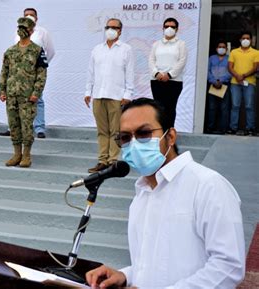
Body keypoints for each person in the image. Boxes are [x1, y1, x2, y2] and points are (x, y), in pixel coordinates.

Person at [86, 98, 245, 289]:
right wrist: (125, 275)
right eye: (126, 137)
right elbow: (150, 264)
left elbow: (228, 267)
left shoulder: (208, 186)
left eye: (144, 133)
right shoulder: (141, 196)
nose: (134, 144)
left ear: (170, 137)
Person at [84, 18, 134, 173]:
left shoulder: (126, 49)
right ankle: (102, 160)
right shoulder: (97, 49)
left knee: (116, 131)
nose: (110, 30)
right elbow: (90, 72)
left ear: (120, 31)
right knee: (102, 130)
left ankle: (113, 161)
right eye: (108, 27)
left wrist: (128, 93)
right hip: (98, 95)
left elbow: (130, 73)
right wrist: (88, 92)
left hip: (116, 95)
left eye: (114, 27)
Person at [0, 8, 55, 138]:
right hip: (17, 76)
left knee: (37, 100)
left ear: (37, 18)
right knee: (15, 102)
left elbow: (50, 52)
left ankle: (39, 128)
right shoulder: (17, 32)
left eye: (32, 15)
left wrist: (40, 66)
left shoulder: (42, 32)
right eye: (26, 15)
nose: (29, 17)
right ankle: (12, 128)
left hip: (33, 75)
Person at [0, 17, 48, 168]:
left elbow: (42, 74)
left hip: (28, 96)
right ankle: (16, 154)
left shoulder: (37, 51)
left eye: (25, 27)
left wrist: (36, 93)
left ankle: (26, 155)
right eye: (19, 26)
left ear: (32, 31)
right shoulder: (10, 51)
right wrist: (2, 90)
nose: (21, 30)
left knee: (26, 126)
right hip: (12, 94)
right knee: (14, 125)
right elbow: (4, 72)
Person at [149, 17, 187, 129]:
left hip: (174, 81)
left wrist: (169, 75)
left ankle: (169, 133)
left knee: (170, 107)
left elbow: (182, 61)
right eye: (166, 26)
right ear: (163, 28)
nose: (169, 28)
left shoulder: (181, 44)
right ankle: (159, 131)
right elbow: (151, 60)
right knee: (158, 108)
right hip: (157, 80)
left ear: (177, 29)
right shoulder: (156, 44)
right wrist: (156, 73)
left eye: (172, 27)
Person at [227, 31, 258, 136]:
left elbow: (255, 67)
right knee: (235, 105)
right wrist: (237, 76)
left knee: (249, 106)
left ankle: (250, 128)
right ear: (240, 40)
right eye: (243, 38)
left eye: (248, 38)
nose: (245, 40)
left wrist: (243, 76)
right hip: (235, 83)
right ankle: (233, 128)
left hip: (249, 83)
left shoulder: (256, 52)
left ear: (251, 40)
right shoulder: (234, 52)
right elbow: (230, 67)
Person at [206, 40, 232, 134]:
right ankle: (210, 127)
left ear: (226, 49)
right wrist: (213, 81)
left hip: (224, 85)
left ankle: (223, 129)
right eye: (220, 47)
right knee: (212, 107)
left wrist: (221, 81)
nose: (221, 48)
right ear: (217, 48)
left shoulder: (229, 58)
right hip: (212, 84)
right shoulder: (212, 58)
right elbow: (207, 70)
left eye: (223, 47)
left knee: (224, 108)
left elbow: (231, 71)